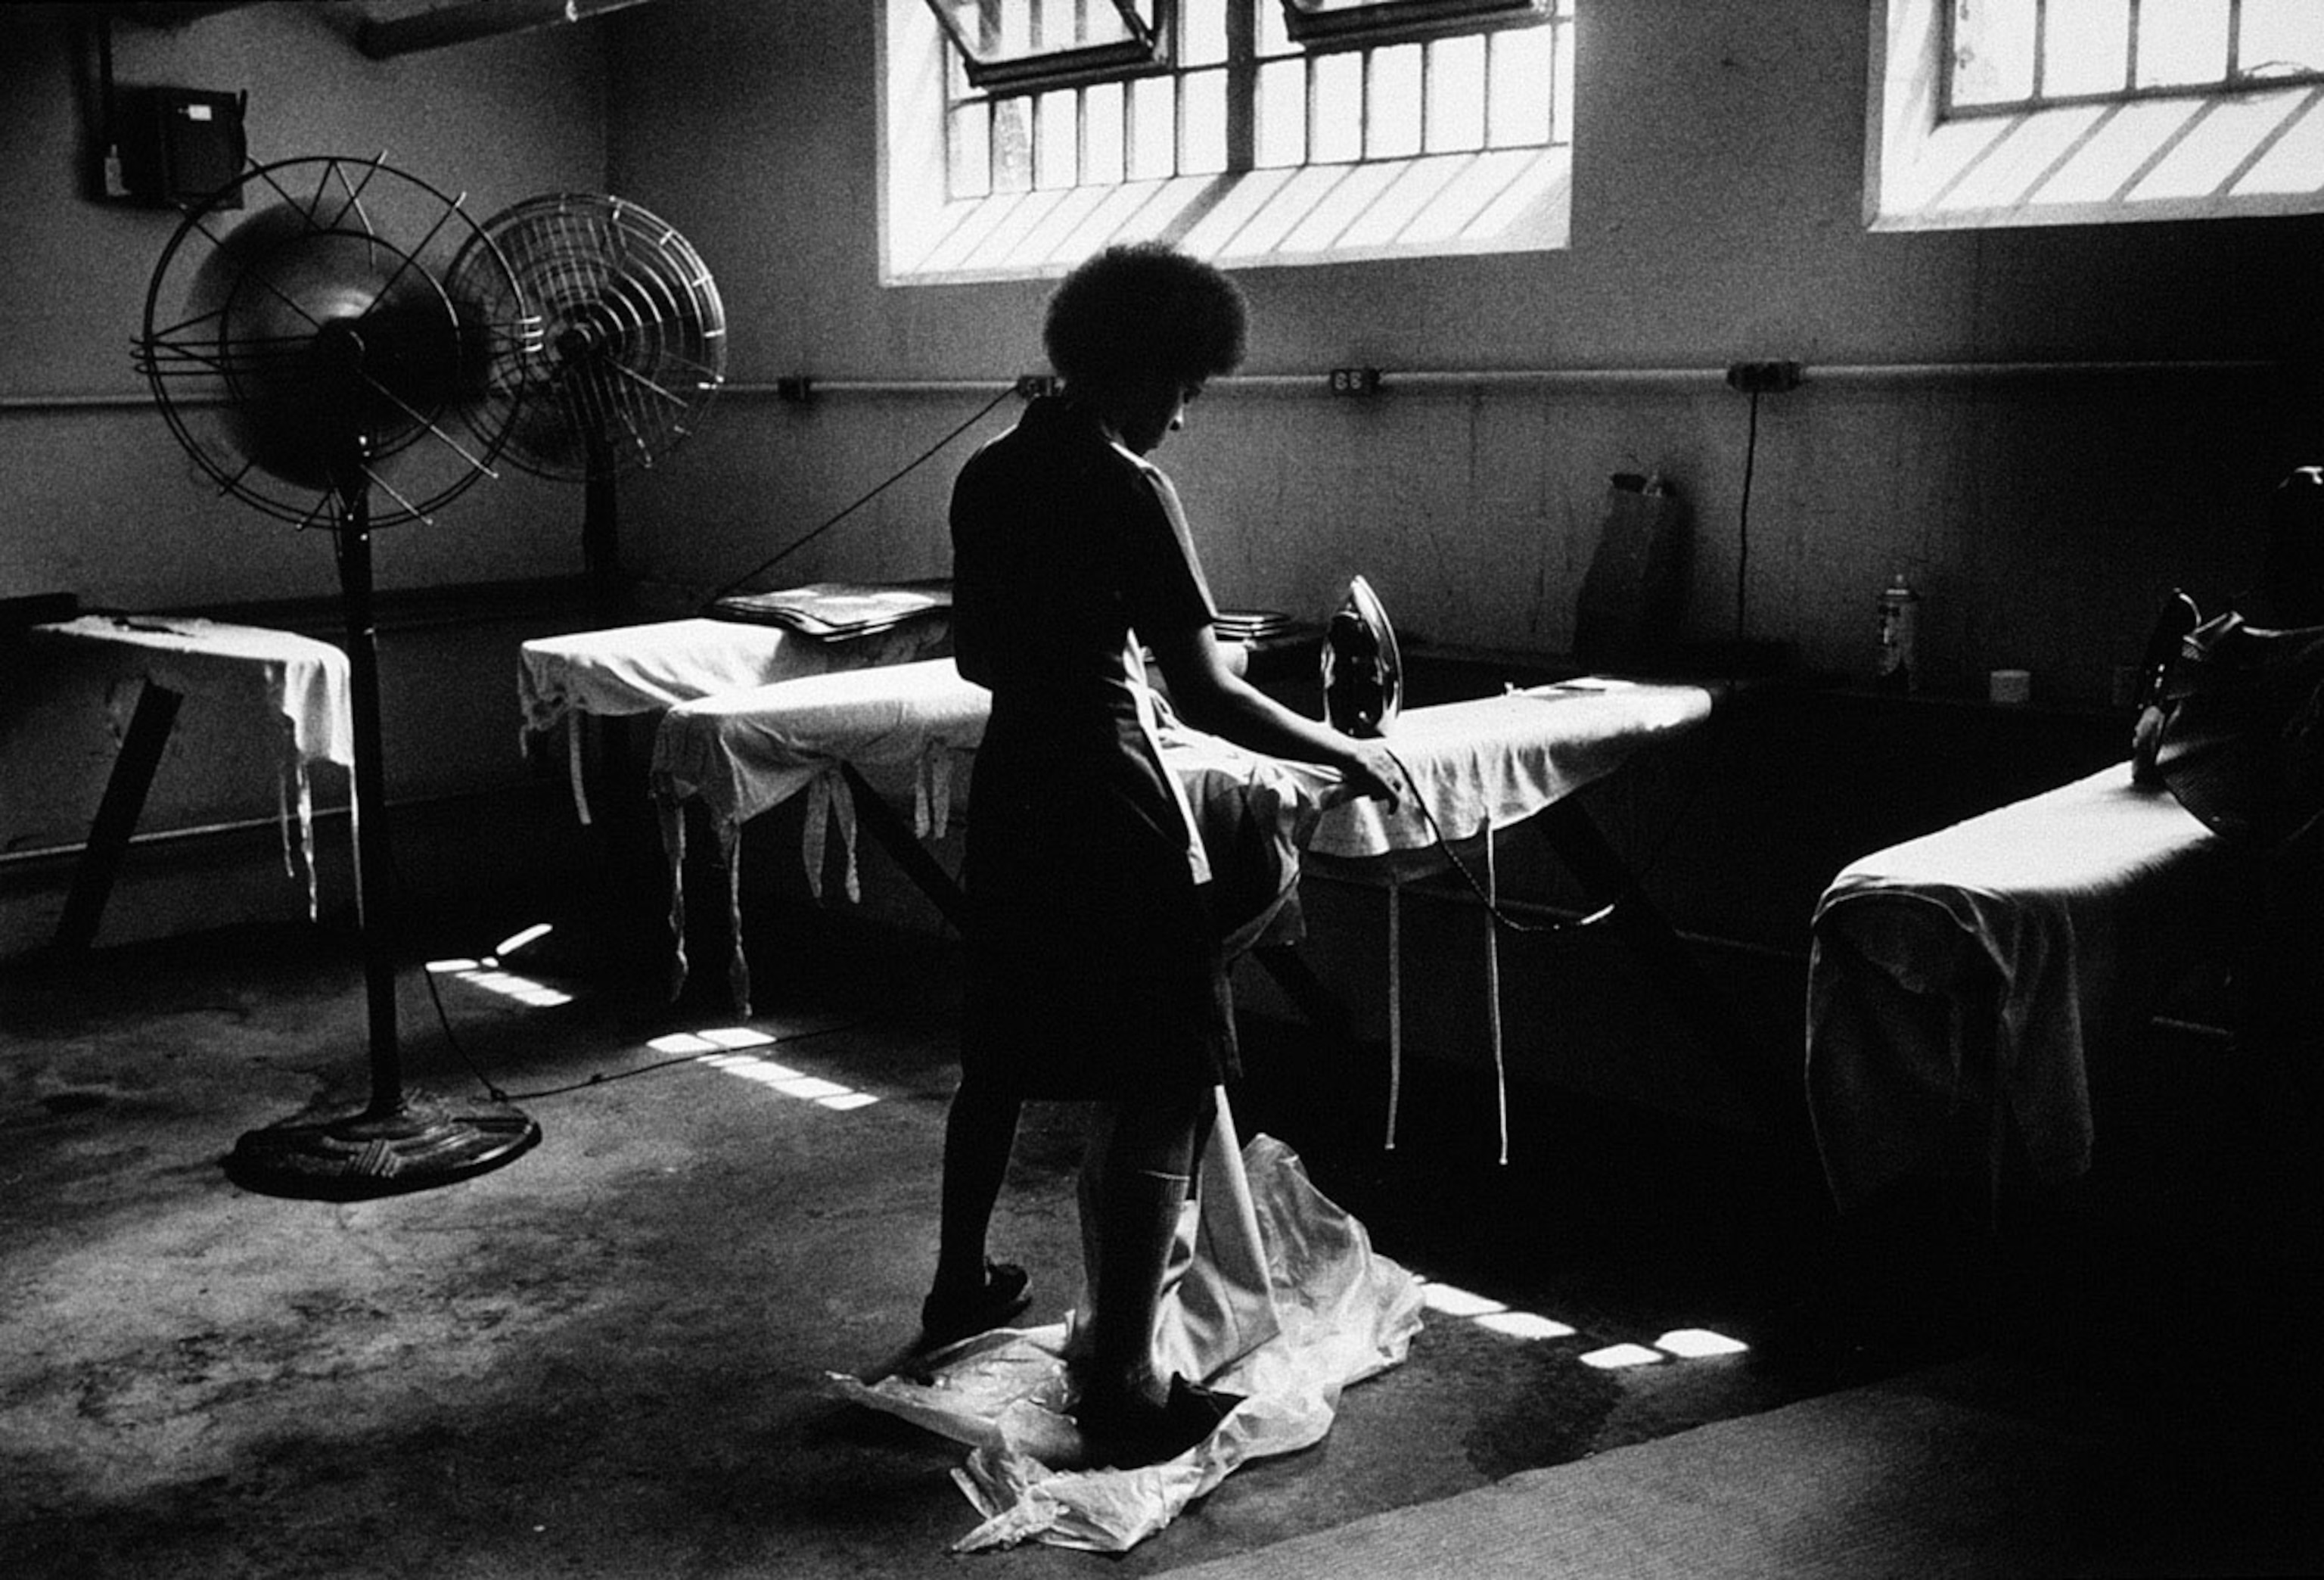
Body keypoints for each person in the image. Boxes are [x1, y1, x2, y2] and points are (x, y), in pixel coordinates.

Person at [921, 241, 1400, 1466]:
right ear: (1140, 370)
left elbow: (980, 659)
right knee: (1167, 1071)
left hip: (1017, 790)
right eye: (1188, 385)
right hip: (1115, 806)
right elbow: (1204, 688)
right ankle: (1129, 1385)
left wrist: (1082, 655)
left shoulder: (987, 475)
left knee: (1000, 1047)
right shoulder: (1130, 486)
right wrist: (1342, 753)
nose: (1187, 414)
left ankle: (957, 1288)